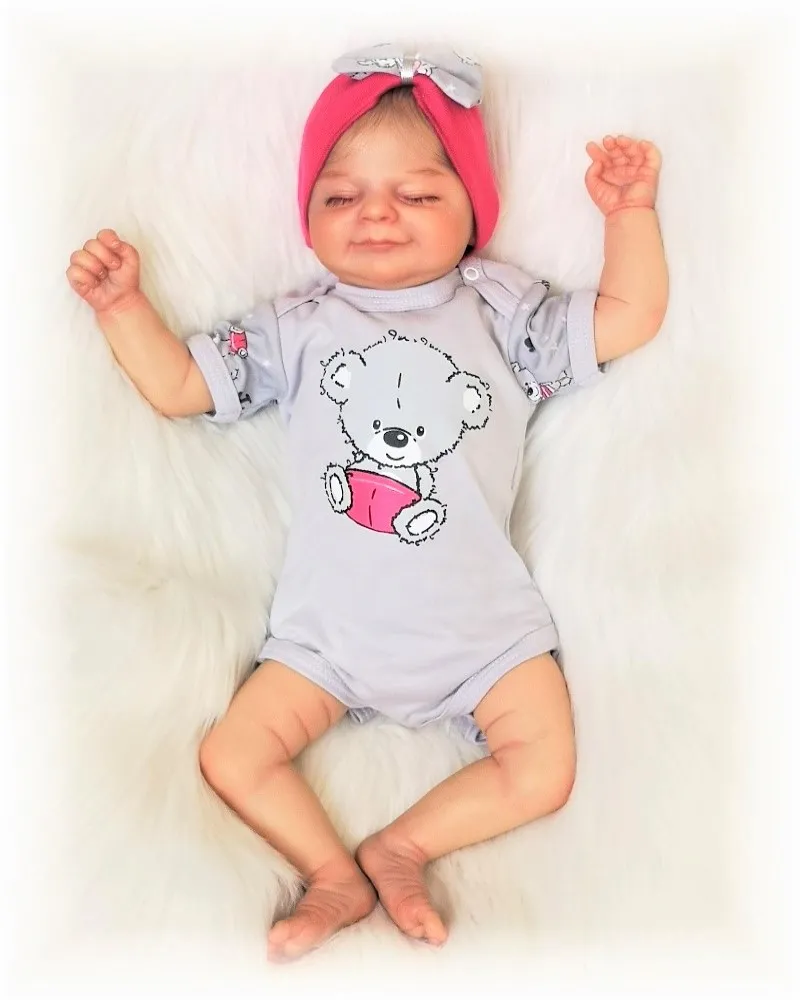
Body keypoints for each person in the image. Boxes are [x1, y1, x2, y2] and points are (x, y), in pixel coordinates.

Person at [66, 44, 668, 963]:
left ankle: (401, 848)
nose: (376, 214)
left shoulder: (501, 312)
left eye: (417, 195)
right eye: (340, 196)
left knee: (543, 771)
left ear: (472, 211)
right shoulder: (295, 327)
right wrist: (122, 309)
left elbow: (627, 316)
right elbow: (182, 386)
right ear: (308, 219)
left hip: (485, 635)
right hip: (327, 640)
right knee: (231, 755)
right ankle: (332, 873)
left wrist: (628, 216)